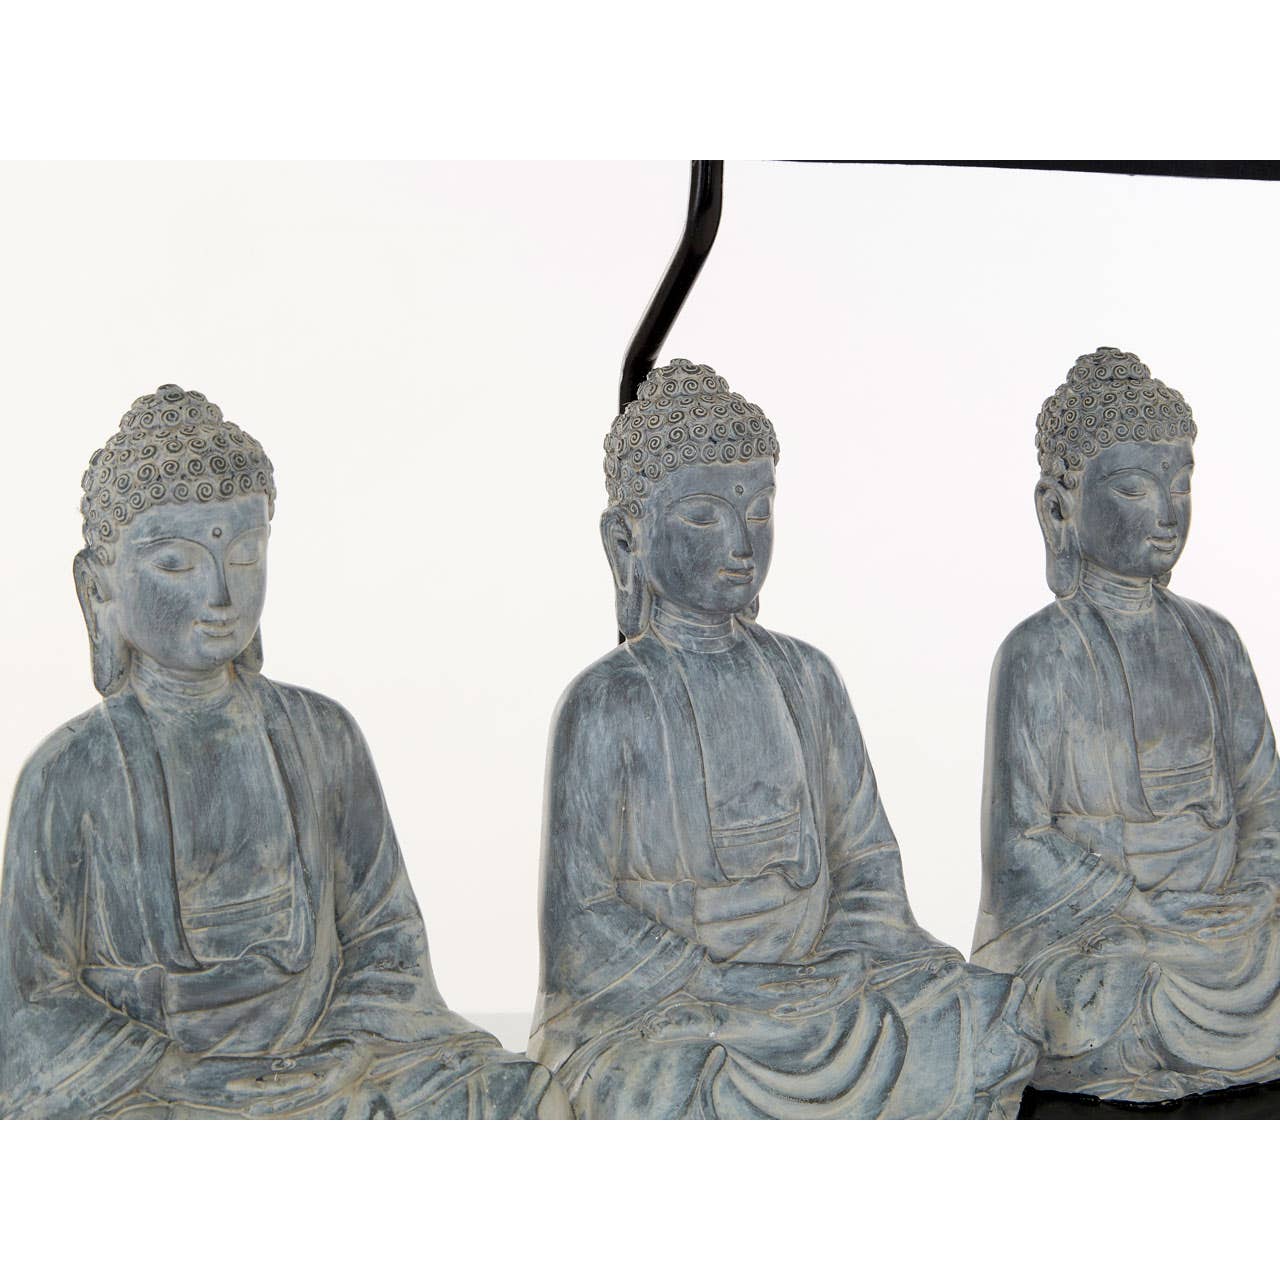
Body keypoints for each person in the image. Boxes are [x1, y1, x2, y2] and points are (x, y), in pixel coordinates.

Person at [0, 385, 569, 1118]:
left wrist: (345, 1048)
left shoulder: (322, 735)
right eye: (175, 564)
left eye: (243, 556)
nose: (219, 594)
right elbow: (30, 1008)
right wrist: (178, 1072)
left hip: (327, 1055)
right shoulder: (68, 772)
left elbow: (386, 940)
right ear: (97, 587)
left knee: (518, 1099)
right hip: (160, 1088)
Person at [529, 360, 1037, 1118]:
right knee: (655, 1089)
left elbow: (866, 861)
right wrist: (722, 982)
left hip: (821, 985)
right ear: (627, 540)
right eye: (704, 516)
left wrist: (839, 957)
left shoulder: (808, 677)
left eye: (759, 511)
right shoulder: (606, 701)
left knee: (987, 1012)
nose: (741, 541)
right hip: (684, 1011)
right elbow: (583, 924)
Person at [974, 348, 1280, 1103]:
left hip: (1225, 928)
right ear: (1060, 509)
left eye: (1181, 486)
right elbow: (1019, 849)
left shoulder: (1215, 640)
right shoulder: (1038, 653)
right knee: (1099, 997)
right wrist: (1139, 907)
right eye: (1136, 488)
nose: (1168, 514)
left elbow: (1264, 802)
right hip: (1108, 936)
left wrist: (1252, 887)